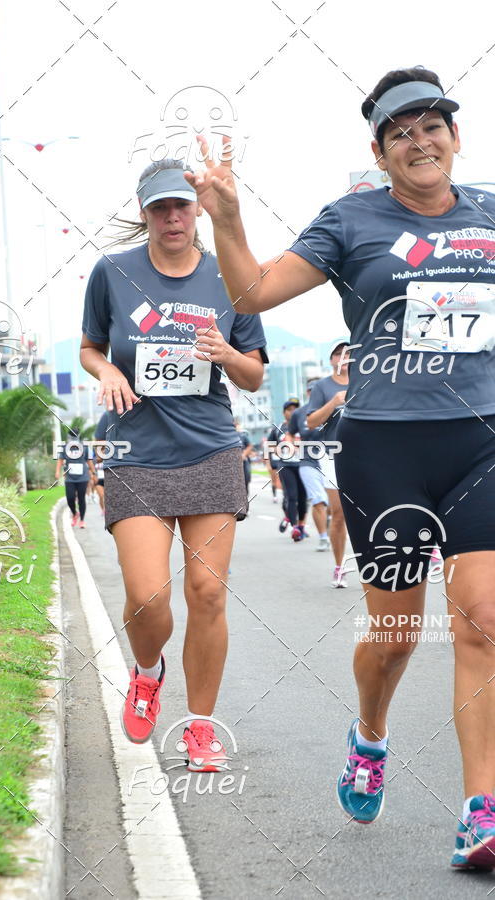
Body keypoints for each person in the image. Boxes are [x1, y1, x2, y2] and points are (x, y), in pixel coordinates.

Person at [186, 67, 495, 867]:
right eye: (401, 131)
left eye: (432, 125)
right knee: (393, 637)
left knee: (484, 621)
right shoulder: (350, 220)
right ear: (380, 151)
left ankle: (480, 811)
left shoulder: (492, 214)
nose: (420, 140)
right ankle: (370, 732)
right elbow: (251, 293)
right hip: (386, 448)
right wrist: (226, 217)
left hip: (482, 440)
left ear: (455, 137)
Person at [80, 158, 267, 771]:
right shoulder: (113, 272)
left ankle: (201, 726)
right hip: (136, 454)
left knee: (207, 592)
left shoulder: (228, 277)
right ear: (145, 213)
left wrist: (226, 353)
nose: (172, 217)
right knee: (145, 596)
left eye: (182, 206)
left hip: (210, 448)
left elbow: (255, 373)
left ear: (199, 210)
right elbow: (90, 348)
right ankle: (148, 669)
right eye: (160, 207)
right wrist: (107, 370)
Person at [305, 341, 350, 586]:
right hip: (333, 453)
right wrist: (333, 402)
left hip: (366, 453)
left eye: (349, 354)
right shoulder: (323, 386)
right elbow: (311, 422)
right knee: (339, 513)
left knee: (371, 511)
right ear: (331, 360)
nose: (344, 358)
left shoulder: (367, 382)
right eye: (339, 354)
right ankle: (339, 566)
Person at [287, 379, 330, 552]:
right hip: (307, 461)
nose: (315, 393)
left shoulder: (333, 408)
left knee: (333, 505)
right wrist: (290, 444)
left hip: (331, 460)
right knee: (318, 499)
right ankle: (324, 538)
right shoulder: (299, 413)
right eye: (311, 391)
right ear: (308, 393)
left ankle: (333, 531)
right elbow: (290, 434)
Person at [267, 399, 308, 541]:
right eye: (289, 409)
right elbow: (270, 445)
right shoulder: (278, 428)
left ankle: (301, 526)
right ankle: (294, 527)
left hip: (303, 465)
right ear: (284, 412)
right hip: (286, 466)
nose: (292, 412)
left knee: (303, 498)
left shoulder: (304, 426)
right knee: (292, 496)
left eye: (295, 409)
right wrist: (278, 451)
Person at [55, 431, 96, 528]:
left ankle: (82, 520)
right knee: (70, 498)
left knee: (82, 499)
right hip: (70, 478)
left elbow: (89, 461)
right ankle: (74, 514)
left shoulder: (84, 448)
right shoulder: (65, 448)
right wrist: (57, 471)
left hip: (83, 477)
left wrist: (93, 473)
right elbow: (60, 460)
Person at [234, 418, 253, 501]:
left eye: (236, 425)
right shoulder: (227, 436)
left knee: (246, 482)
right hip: (233, 465)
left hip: (244, 463)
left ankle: (245, 504)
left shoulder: (243, 436)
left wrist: (244, 454)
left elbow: (250, 446)